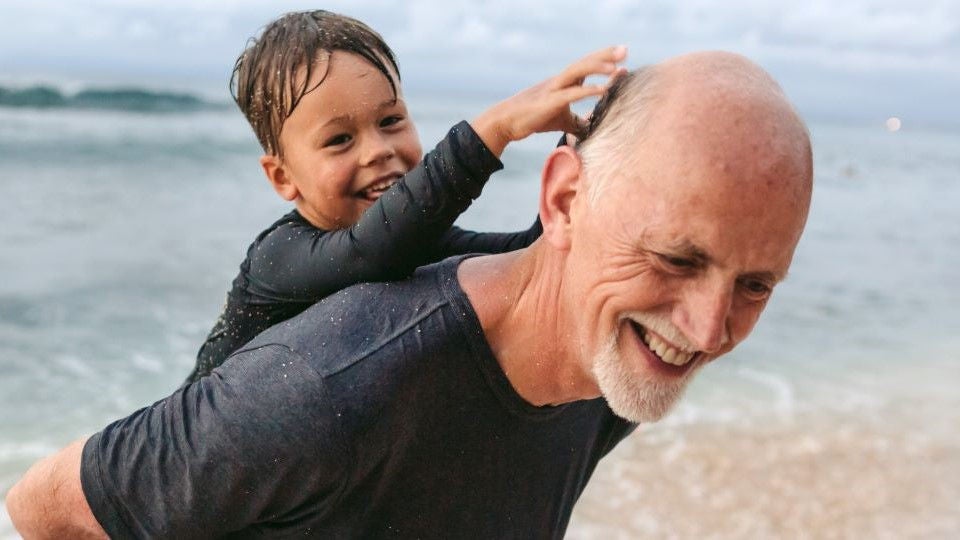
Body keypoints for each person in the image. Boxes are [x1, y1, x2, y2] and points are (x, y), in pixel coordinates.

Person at [6, 51, 814, 538]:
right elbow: (46, 508)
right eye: (676, 258)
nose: (709, 328)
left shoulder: (617, 360)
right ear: (564, 200)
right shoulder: (334, 381)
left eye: (754, 285)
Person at [185, 10, 626, 382]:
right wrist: (495, 129)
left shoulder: (420, 244)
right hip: (187, 471)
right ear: (283, 178)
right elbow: (369, 253)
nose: (379, 150)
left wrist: (583, 150)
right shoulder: (275, 259)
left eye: (391, 120)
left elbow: (535, 257)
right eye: (339, 139)